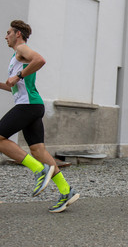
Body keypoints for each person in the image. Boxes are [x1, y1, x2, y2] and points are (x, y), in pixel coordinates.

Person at [0, 20, 79, 212]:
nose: (5, 36)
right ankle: (66, 190)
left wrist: (18, 76)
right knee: (38, 151)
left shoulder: (22, 49)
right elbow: (12, 85)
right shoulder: (16, 56)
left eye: (9, 32)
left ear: (18, 34)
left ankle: (39, 170)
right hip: (32, 105)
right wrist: (11, 81)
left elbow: (40, 60)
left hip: (28, 106)